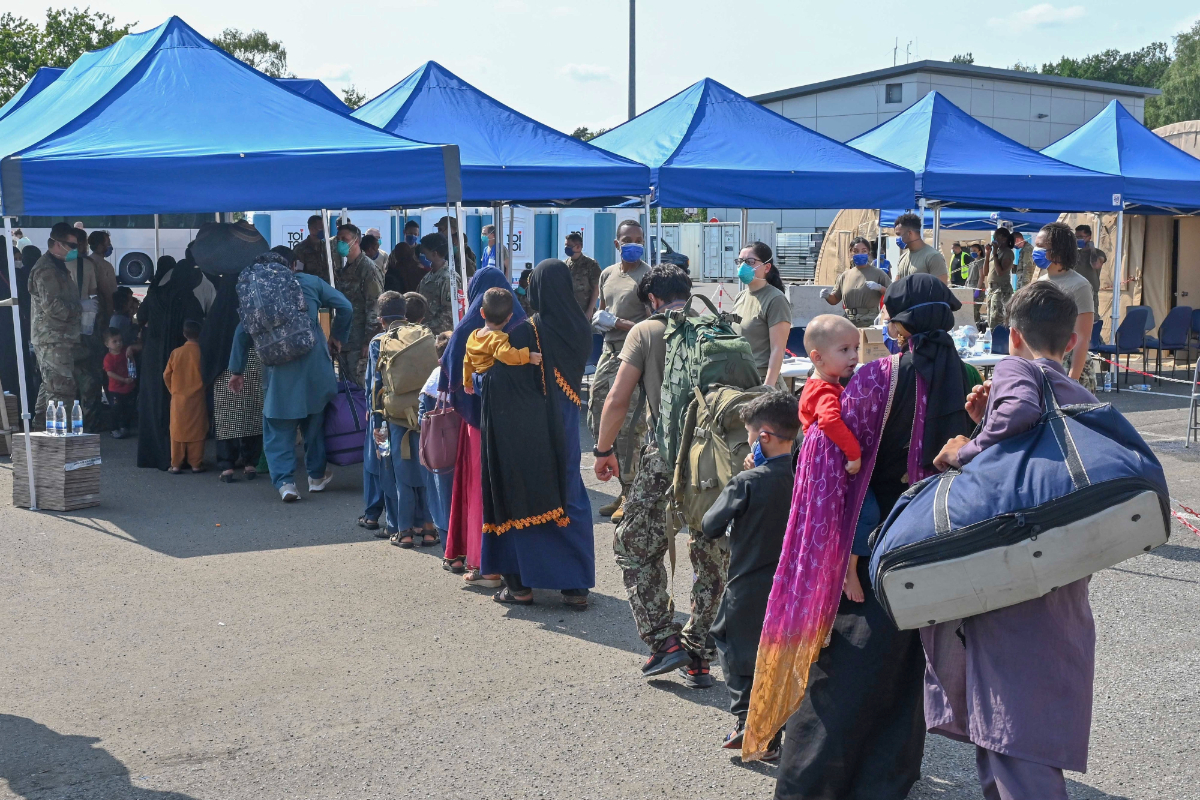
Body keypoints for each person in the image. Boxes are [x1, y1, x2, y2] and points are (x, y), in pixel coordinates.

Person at [756, 275, 974, 793]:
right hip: (936, 539)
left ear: (898, 325)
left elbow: (831, 455)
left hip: (873, 544)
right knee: (905, 663)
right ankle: (886, 781)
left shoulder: (879, 377)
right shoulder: (968, 378)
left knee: (847, 665)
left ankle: (810, 782)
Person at [930, 280, 1098, 800]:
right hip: (1062, 562)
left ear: (1014, 336)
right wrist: (987, 426)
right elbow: (1027, 440)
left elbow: (1019, 412)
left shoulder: (1016, 367)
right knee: (1029, 705)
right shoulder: (1079, 394)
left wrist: (962, 449)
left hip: (1013, 565)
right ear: (1072, 341)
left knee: (1009, 713)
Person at [595, 264, 727, 687]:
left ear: (651, 299)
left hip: (666, 457)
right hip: (714, 461)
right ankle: (700, 653)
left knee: (632, 544)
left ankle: (664, 642)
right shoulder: (719, 327)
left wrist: (603, 450)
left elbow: (617, 399)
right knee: (710, 553)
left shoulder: (646, 331)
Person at [482, 259, 595, 608]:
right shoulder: (581, 327)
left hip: (531, 430)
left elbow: (501, 383)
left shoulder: (526, 331)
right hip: (567, 424)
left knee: (525, 494)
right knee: (568, 493)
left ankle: (520, 588)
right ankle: (575, 587)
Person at [701, 390, 798, 754]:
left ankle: (749, 721)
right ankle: (777, 726)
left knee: (731, 643)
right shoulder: (804, 476)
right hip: (791, 584)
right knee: (780, 652)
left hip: (748, 582)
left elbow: (711, 524)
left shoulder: (747, 482)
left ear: (764, 437)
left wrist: (745, 475)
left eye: (749, 436)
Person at [228, 252, 352, 502]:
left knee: (278, 428)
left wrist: (237, 370)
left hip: (278, 373)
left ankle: (285, 483)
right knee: (314, 424)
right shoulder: (310, 282)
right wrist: (337, 337)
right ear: (293, 265)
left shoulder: (257, 293)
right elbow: (346, 306)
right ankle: (316, 477)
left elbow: (242, 333)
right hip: (315, 367)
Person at [439, 266, 527, 575]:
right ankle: (512, 565)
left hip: (476, 424)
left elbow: (450, 372)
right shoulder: (522, 326)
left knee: (477, 488)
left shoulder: (468, 329)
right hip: (515, 424)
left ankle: (478, 560)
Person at [588, 219, 651, 521]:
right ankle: (623, 485)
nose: (634, 245)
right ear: (617, 244)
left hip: (633, 355)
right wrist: (600, 319)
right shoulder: (608, 274)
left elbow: (654, 322)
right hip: (608, 351)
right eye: (628, 240)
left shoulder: (648, 277)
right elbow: (601, 308)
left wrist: (620, 323)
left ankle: (632, 493)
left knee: (628, 425)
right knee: (597, 414)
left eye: (638, 239)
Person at [367, 291, 435, 548]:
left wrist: (376, 425)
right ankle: (429, 529)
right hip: (423, 415)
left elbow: (376, 386)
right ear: (405, 314)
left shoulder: (380, 341)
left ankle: (402, 531)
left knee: (396, 473)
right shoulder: (423, 334)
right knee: (426, 470)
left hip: (392, 419)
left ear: (381, 319)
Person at [200, 252, 270, 485]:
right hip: (252, 365)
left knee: (227, 419)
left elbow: (207, 342)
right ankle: (250, 463)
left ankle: (227, 465)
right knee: (252, 415)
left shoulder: (218, 312)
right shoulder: (251, 306)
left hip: (225, 371)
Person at [136, 255, 204, 470]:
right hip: (179, 357)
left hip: (153, 355)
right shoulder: (189, 300)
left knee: (152, 402)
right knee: (178, 408)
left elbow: (140, 316)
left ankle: (152, 455)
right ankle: (179, 457)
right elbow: (197, 327)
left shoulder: (155, 293)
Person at [27, 223, 83, 424]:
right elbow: (52, 306)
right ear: (58, 244)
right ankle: (58, 434)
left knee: (50, 386)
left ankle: (40, 430)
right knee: (61, 390)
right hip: (52, 338)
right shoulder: (46, 270)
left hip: (58, 337)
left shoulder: (57, 266)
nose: (75, 250)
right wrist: (79, 309)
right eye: (72, 245)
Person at [1035, 222, 1097, 393]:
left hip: (1069, 368)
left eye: (1041, 246)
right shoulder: (1040, 283)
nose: (1036, 251)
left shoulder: (1079, 285)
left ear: (1058, 250)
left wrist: (1072, 380)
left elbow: (1083, 337)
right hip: (1046, 365)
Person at [734, 241, 792, 387]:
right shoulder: (740, 297)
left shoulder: (776, 299)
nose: (743, 266)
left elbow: (778, 350)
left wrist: (767, 389)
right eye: (740, 261)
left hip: (761, 381)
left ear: (767, 267)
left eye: (750, 262)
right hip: (740, 379)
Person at [331, 223, 383, 386]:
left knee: (359, 390)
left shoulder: (368, 269)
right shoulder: (345, 269)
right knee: (345, 388)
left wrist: (369, 341)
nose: (341, 243)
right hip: (345, 341)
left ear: (356, 241)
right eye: (339, 239)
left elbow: (374, 306)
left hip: (360, 342)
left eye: (345, 239)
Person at [463, 287, 541, 391]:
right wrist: (528, 356)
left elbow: (467, 361)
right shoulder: (498, 338)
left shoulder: (473, 335)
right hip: (491, 384)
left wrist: (467, 382)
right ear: (509, 317)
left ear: (482, 312)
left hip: (477, 381)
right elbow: (506, 354)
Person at [418, 331, 455, 541]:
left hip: (439, 449)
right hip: (464, 446)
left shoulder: (433, 378)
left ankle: (449, 547)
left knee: (441, 496)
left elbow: (421, 416)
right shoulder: (463, 374)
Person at [163, 319, 207, 474]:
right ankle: (196, 464)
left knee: (177, 430)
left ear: (184, 334)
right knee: (198, 430)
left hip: (178, 399)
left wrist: (173, 390)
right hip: (198, 398)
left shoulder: (176, 353)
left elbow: (166, 375)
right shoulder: (202, 352)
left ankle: (176, 464)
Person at [822, 236, 890, 328]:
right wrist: (827, 296)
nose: (860, 254)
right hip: (848, 322)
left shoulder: (878, 273)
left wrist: (880, 288)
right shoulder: (845, 276)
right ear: (850, 253)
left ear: (868, 253)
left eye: (864, 251)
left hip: (869, 321)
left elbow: (892, 293)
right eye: (856, 251)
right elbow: (835, 299)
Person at [893, 212, 949, 284]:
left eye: (899, 234)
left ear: (910, 233)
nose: (897, 238)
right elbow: (896, 286)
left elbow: (941, 287)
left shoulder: (933, 257)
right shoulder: (902, 258)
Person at [417, 233, 455, 335]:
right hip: (425, 334)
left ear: (434, 254)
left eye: (424, 254)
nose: (421, 257)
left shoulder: (448, 278)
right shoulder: (428, 277)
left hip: (439, 336)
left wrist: (424, 330)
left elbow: (448, 315)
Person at [103, 328, 137, 439]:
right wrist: (123, 380)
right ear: (107, 344)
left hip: (128, 387)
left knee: (128, 409)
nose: (118, 344)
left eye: (120, 340)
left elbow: (132, 362)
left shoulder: (125, 352)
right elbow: (110, 373)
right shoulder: (108, 358)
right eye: (114, 341)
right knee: (116, 409)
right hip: (115, 389)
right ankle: (113, 428)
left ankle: (125, 427)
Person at [981, 226, 1016, 328]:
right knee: (990, 320)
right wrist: (988, 254)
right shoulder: (995, 253)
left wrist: (995, 254)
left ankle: (998, 338)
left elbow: (1000, 272)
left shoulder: (1007, 252)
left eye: (996, 237)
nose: (994, 240)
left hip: (1001, 290)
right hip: (992, 289)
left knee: (996, 321)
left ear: (1004, 239)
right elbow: (985, 272)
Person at [86, 231, 119, 340]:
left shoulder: (87, 262)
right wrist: (111, 309)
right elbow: (107, 290)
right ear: (100, 246)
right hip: (103, 310)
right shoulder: (103, 265)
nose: (110, 246)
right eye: (108, 243)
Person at [563, 231, 600, 316]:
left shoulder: (591, 264)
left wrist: (590, 309)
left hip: (584, 311)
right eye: (565, 245)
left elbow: (596, 288)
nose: (566, 248)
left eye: (569, 246)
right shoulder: (564, 264)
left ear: (578, 247)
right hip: (569, 311)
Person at [1073, 224, 1103, 310]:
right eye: (1076, 237)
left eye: (1081, 237)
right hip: (1073, 291)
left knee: (1090, 316)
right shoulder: (1074, 253)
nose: (1078, 239)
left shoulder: (1098, 253)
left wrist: (1092, 249)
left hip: (1090, 292)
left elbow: (1096, 265)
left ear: (1089, 237)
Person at [293, 214, 331, 280]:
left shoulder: (327, 246)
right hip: (310, 284)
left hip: (326, 284)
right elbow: (298, 272)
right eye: (320, 228)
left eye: (324, 228)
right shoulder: (300, 249)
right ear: (311, 229)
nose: (323, 230)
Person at [967, 243, 986, 323]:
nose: (972, 252)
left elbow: (981, 276)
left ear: (979, 251)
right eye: (971, 251)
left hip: (976, 286)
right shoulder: (972, 262)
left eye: (974, 250)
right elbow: (969, 276)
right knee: (970, 312)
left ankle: (977, 325)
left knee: (974, 311)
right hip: (969, 287)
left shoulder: (981, 261)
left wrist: (978, 289)